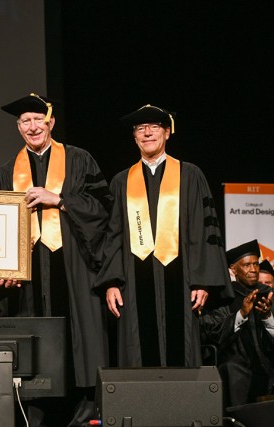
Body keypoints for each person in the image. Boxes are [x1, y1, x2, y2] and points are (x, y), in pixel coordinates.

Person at [0, 93, 113, 426]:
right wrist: (4, 268)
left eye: (37, 119)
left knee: (80, 343)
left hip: (74, 266)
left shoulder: (79, 160)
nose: (32, 127)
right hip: (30, 275)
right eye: (25, 121)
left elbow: (104, 209)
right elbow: (0, 229)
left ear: (51, 122)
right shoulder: (7, 172)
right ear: (18, 127)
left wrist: (60, 200)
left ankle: (84, 415)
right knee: (34, 344)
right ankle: (36, 414)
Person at [97, 104, 232, 369]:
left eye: (154, 127)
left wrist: (202, 281)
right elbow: (112, 236)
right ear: (134, 136)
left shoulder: (190, 175)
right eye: (140, 128)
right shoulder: (121, 181)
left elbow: (204, 231)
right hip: (134, 287)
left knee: (181, 351)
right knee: (138, 353)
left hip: (181, 285)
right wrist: (111, 282)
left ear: (167, 133)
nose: (147, 133)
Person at [200, 240, 274, 407]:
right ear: (233, 269)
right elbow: (210, 332)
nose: (254, 269)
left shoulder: (268, 294)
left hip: (267, 361)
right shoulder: (222, 297)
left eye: (256, 264)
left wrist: (267, 316)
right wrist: (241, 313)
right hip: (234, 361)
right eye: (247, 265)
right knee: (232, 370)